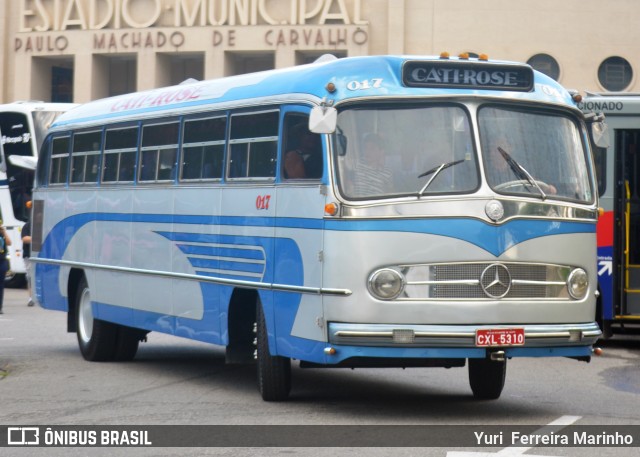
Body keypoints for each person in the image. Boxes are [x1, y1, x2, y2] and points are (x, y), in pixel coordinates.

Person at [350, 132, 394, 197]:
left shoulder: (387, 172)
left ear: (381, 152)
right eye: (366, 148)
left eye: (372, 148)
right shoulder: (357, 164)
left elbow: (391, 194)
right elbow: (343, 168)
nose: (367, 151)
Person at [0, 220, 12, 314]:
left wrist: (4, 232)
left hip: (2, 262)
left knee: (1, 286)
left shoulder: (2, 235)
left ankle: (0, 307)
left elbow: (9, 243)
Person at [22, 213, 33, 307]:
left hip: (40, 255)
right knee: (29, 276)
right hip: (28, 256)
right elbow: (24, 238)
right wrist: (36, 239)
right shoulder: (27, 226)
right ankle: (31, 298)